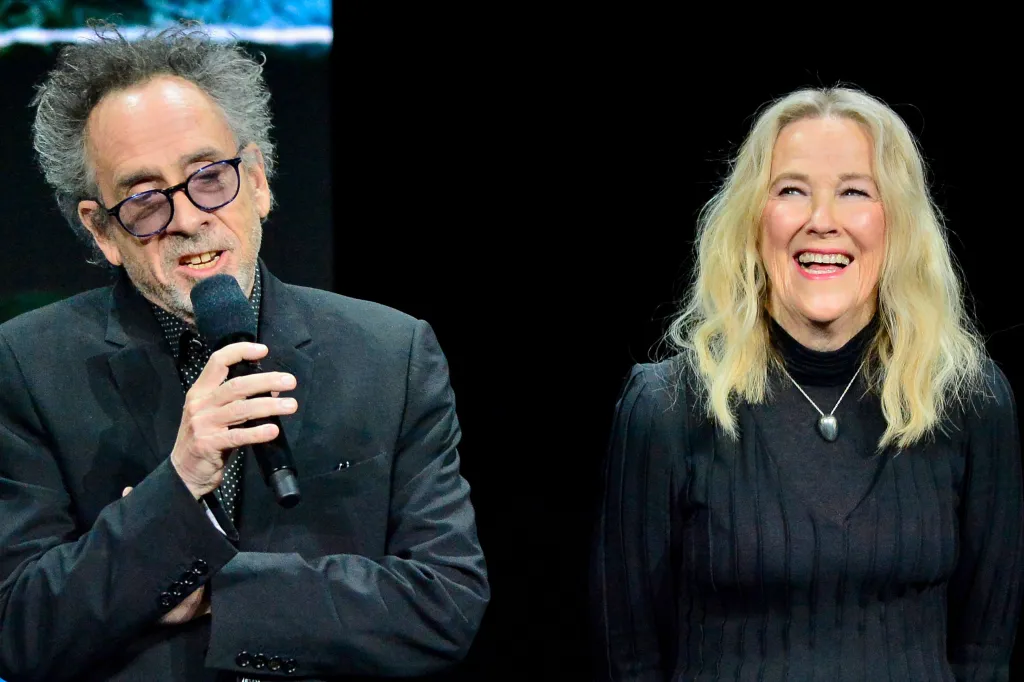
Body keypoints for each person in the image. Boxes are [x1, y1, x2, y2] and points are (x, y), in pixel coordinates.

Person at [0, 22, 488, 682]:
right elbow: (18, 630)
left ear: (257, 180)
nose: (187, 216)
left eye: (209, 177)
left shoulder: (392, 353)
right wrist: (176, 487)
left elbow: (445, 604)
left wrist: (220, 593)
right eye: (144, 199)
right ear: (102, 230)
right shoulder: (26, 366)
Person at [590, 87, 1023, 680]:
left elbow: (983, 655)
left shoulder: (970, 401)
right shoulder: (665, 407)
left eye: (854, 192)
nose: (822, 222)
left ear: (896, 221)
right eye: (791, 190)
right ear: (753, 219)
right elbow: (631, 658)